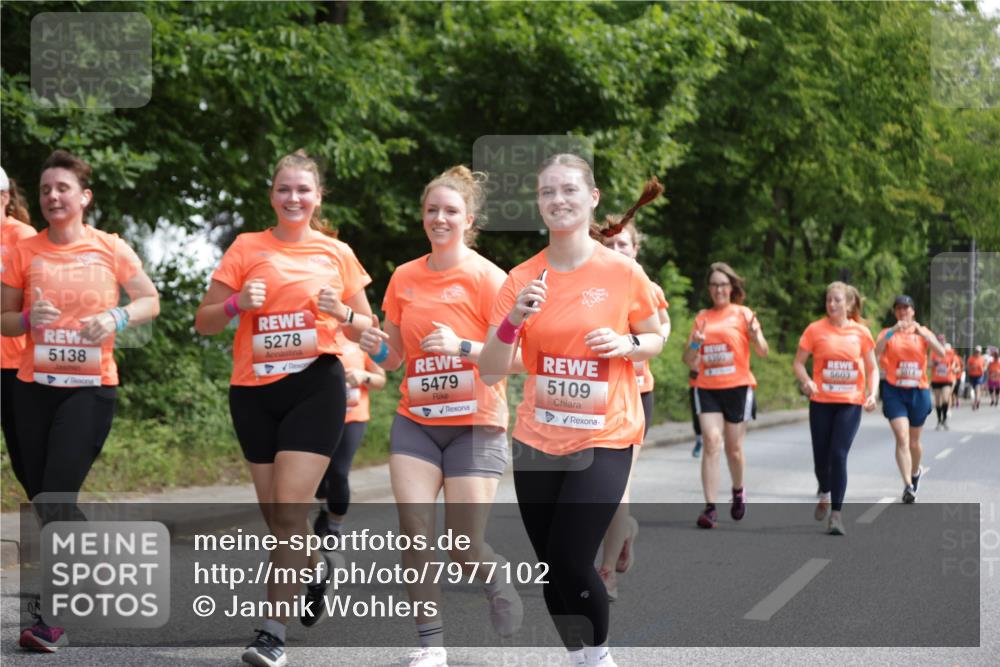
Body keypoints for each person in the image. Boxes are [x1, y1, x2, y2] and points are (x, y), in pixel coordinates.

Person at [480, 153, 663, 667]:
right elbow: (492, 370)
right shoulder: (521, 277)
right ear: (539, 204)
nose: (558, 200)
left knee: (569, 556)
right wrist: (513, 320)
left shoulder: (623, 272)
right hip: (538, 437)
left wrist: (626, 345)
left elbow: (653, 338)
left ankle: (599, 657)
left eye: (568, 190)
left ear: (592, 198)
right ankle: (579, 656)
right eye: (547, 193)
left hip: (607, 432)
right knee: (551, 569)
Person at [195, 150, 375, 667]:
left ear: (318, 197)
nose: (293, 198)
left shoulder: (337, 252)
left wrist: (341, 311)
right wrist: (235, 305)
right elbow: (204, 322)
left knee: (292, 511)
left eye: (303, 190)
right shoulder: (247, 246)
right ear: (271, 195)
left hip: (315, 386)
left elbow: (368, 326)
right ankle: (316, 566)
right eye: (283, 189)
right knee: (277, 518)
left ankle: (271, 634)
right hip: (253, 392)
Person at [358, 166, 521, 667]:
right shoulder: (405, 277)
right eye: (432, 210)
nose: (440, 218)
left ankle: (496, 581)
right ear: (422, 216)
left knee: (462, 547)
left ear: (468, 219)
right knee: (413, 528)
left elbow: (516, 359)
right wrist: (371, 346)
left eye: (450, 211)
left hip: (476, 424)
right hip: (418, 421)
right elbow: (394, 357)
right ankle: (431, 645)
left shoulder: (491, 278)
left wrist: (464, 346)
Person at [0, 150, 160, 651]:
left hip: (90, 389)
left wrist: (116, 318)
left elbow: (150, 299)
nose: (52, 196)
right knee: (44, 498)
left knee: (56, 497)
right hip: (31, 388)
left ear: (84, 197)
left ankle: (51, 618)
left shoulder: (111, 248)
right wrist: (29, 320)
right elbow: (3, 321)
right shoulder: (25, 252)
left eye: (62, 188)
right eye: (46, 189)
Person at [588, 179, 670, 600]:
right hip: (589, 400)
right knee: (587, 486)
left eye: (626, 247)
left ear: (636, 252)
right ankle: (625, 532)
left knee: (617, 487)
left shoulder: (645, 287)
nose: (618, 253)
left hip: (635, 397)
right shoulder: (588, 288)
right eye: (612, 246)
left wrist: (633, 346)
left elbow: (663, 331)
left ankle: (605, 571)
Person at [682, 262, 769, 529]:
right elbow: (688, 359)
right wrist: (696, 342)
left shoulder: (744, 315)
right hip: (708, 387)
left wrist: (755, 336)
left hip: (738, 388)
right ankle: (710, 508)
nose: (719, 289)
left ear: (732, 287)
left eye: (723, 284)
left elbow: (764, 352)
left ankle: (738, 489)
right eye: (714, 285)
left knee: (734, 449)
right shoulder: (702, 317)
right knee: (711, 441)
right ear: (709, 289)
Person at [792, 282, 878, 535]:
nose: (831, 304)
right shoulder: (814, 330)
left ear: (849, 304)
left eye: (837, 300)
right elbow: (798, 363)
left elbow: (872, 368)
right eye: (828, 299)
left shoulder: (861, 333)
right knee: (821, 459)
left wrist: (872, 393)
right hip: (821, 402)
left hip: (850, 402)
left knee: (838, 454)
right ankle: (824, 491)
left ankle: (837, 515)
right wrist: (806, 381)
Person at [312, 327, 386, 540]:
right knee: (317, 474)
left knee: (339, 472)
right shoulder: (316, 334)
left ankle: (334, 528)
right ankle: (326, 507)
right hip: (318, 417)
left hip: (352, 417)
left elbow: (380, 380)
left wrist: (363, 376)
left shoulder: (359, 338)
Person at [874, 295, 946, 504]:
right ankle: (907, 485)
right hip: (894, 390)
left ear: (913, 311)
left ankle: (915, 472)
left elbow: (941, 353)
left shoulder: (923, 333)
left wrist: (923, 333)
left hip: (918, 390)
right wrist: (892, 331)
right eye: (898, 309)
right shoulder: (888, 333)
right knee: (902, 437)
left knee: (914, 442)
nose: (902, 312)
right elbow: (875, 351)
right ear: (895, 312)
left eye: (906, 308)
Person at [0, 167, 37, 496]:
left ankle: (52, 519)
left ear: (5, 197)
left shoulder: (23, 237)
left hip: (13, 362)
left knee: (24, 455)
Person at [929, 338, 960, 430]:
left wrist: (955, 369)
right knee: (937, 401)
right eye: (939, 342)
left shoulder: (950, 353)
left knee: (945, 398)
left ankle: (945, 420)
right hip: (936, 379)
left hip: (947, 379)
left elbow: (957, 366)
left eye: (942, 342)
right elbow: (928, 364)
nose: (941, 344)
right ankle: (939, 421)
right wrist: (934, 363)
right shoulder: (933, 353)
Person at [966, 345, 986, 411]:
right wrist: (972, 367)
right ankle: (977, 400)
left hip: (979, 376)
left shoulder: (982, 358)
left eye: (979, 352)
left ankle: (976, 402)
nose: (977, 353)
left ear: (980, 352)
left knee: (977, 388)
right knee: (973, 390)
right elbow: (967, 368)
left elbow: (985, 367)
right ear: (975, 351)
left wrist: (983, 369)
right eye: (976, 351)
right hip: (972, 376)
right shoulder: (971, 358)